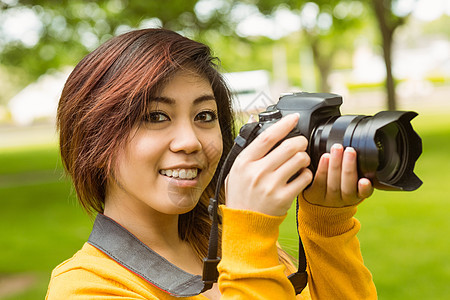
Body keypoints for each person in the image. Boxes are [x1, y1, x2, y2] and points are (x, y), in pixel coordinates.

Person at [46, 28, 377, 299]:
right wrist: (249, 229)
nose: (190, 141)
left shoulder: (240, 246)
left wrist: (328, 223)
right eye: (156, 116)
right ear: (94, 138)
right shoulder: (86, 287)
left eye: (204, 116)